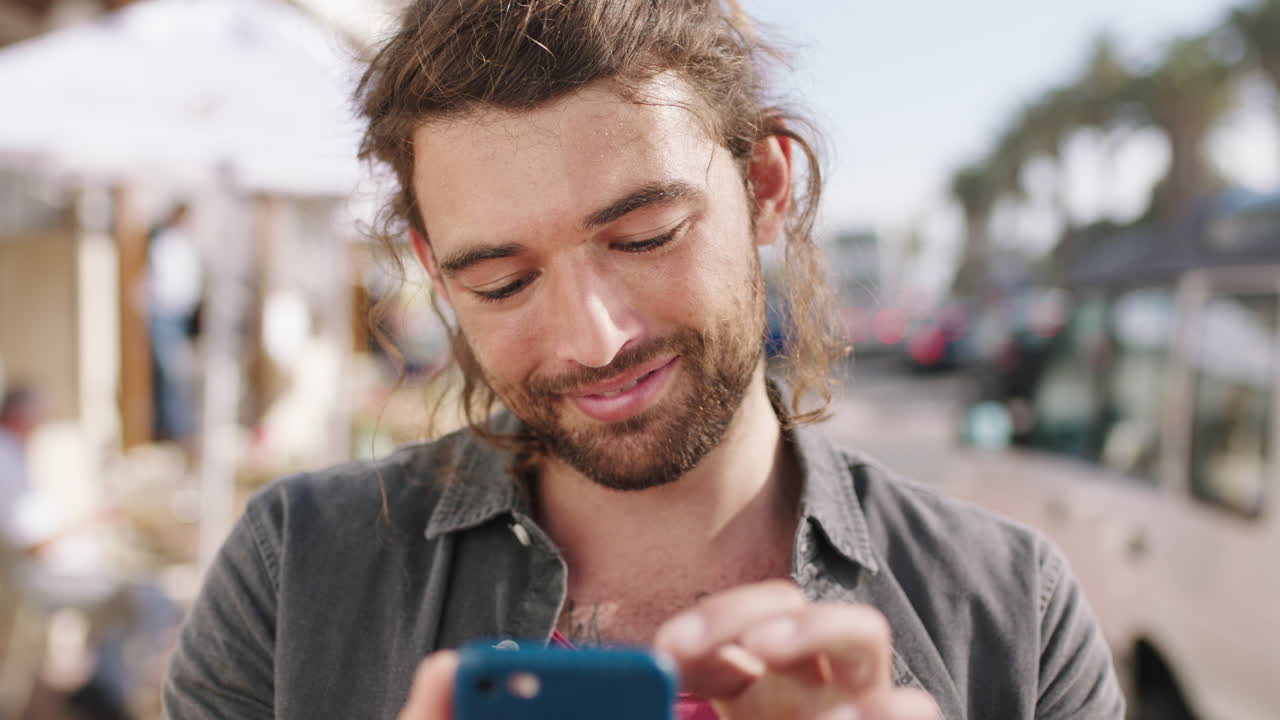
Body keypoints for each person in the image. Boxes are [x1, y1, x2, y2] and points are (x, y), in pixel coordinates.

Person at [163, 1, 1125, 718]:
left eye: (646, 235)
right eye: (502, 281)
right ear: (433, 269)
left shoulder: (1013, 611)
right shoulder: (296, 572)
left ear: (763, 185)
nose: (595, 339)